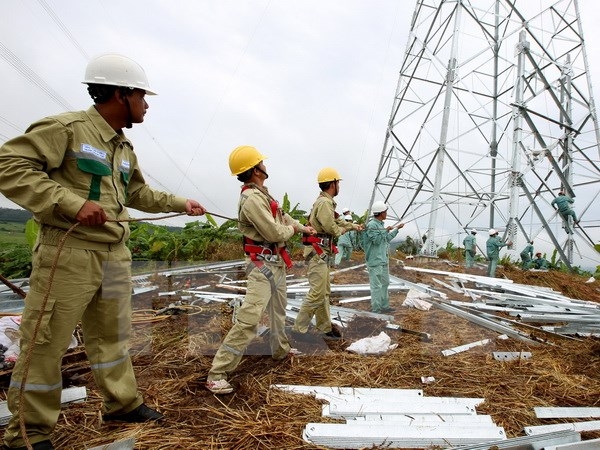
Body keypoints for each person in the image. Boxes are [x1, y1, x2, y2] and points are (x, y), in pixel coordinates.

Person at [0, 53, 207, 450]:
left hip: (114, 255)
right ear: (119, 94)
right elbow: (10, 165)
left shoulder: (124, 147)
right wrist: (70, 202)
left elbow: (138, 192)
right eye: (142, 96)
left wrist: (181, 203)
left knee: (112, 336)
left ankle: (122, 404)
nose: (146, 104)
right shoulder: (67, 129)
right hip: (71, 253)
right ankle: (31, 432)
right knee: (45, 342)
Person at [205, 145, 316, 395]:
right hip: (262, 266)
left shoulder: (263, 194)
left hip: (274, 263)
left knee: (278, 313)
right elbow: (275, 232)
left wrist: (302, 227)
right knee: (250, 319)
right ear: (256, 170)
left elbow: (284, 217)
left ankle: (280, 352)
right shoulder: (252, 199)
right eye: (262, 163)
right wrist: (293, 231)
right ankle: (217, 373)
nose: (265, 165)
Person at [291, 168, 363, 340]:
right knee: (317, 292)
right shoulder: (324, 203)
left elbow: (336, 221)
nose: (339, 186)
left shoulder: (327, 203)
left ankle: (324, 327)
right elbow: (332, 228)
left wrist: (353, 226)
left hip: (321, 253)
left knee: (323, 291)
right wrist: (344, 229)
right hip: (317, 253)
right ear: (332, 184)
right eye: (338, 183)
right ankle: (298, 330)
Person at [363, 201, 404, 313]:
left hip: (383, 260)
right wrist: (385, 230)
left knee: (385, 284)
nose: (386, 213)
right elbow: (376, 241)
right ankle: (376, 309)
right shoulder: (372, 225)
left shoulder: (380, 225)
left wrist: (396, 229)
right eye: (385, 211)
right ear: (381, 213)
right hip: (375, 261)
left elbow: (386, 239)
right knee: (376, 286)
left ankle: (384, 306)